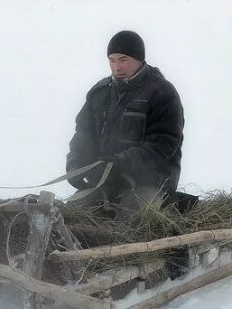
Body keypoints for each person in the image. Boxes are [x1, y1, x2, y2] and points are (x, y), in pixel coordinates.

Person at [66, 30, 184, 217]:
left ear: (139, 59)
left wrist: (119, 163)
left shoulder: (162, 92)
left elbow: (163, 146)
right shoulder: (99, 93)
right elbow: (83, 135)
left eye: (123, 60)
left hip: (149, 182)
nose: (116, 67)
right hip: (105, 181)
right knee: (71, 214)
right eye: (111, 60)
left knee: (131, 219)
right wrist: (75, 165)